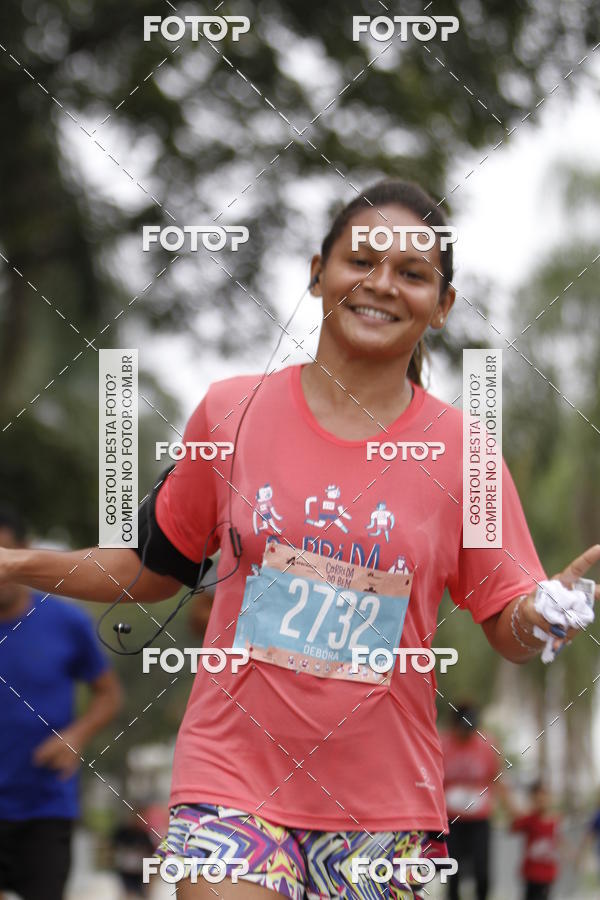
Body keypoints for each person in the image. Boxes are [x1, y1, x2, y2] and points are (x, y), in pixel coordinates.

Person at [0, 179, 598, 899]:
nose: (381, 284)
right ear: (319, 274)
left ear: (441, 308)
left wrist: (542, 616)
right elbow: (152, 567)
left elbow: (508, 621)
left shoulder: (464, 453)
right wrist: (17, 562)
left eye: (412, 274)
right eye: (361, 260)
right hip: (232, 778)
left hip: (382, 807)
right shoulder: (231, 414)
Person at [0, 507, 122, 900]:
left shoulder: (66, 622)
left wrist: (76, 737)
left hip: (45, 806)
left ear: (25, 553)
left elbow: (109, 694)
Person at [441, 702, 512, 900]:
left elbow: (498, 779)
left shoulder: (487, 744)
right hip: (451, 822)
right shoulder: (442, 744)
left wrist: (511, 809)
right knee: (452, 872)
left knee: (482, 872)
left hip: (479, 821)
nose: (467, 733)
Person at [511, 781, 560, 900]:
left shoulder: (555, 821)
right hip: (531, 873)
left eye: (544, 796)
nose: (542, 800)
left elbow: (559, 841)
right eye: (538, 797)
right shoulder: (529, 819)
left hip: (547, 874)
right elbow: (514, 827)